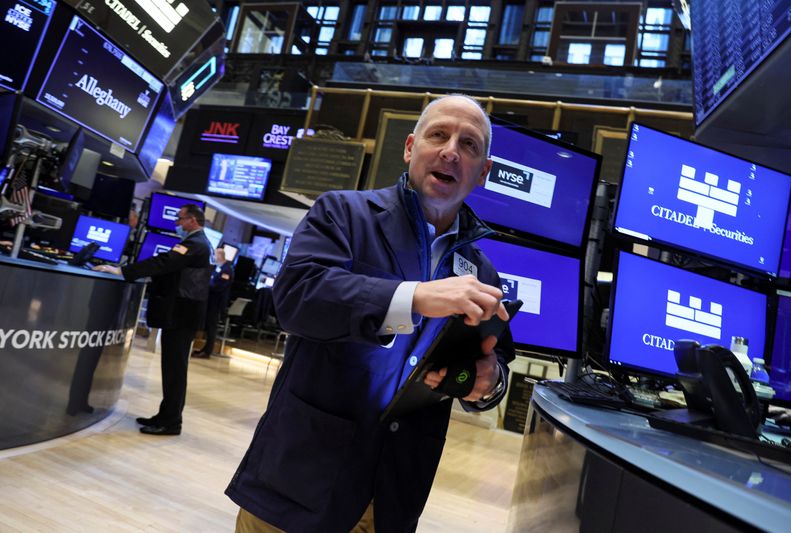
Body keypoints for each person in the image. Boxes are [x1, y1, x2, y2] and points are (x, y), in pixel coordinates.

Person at [226, 94, 515, 532]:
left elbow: (492, 365)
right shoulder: (343, 213)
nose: (451, 151)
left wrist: (486, 382)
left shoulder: (481, 271)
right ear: (409, 148)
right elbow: (297, 298)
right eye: (438, 135)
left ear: (483, 173)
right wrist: (414, 297)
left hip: (393, 495)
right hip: (304, 475)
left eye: (469, 145)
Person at [94, 204, 212, 435]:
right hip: (181, 316)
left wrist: (123, 271)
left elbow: (164, 263)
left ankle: (171, 422)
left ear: (193, 221)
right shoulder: (197, 243)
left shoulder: (195, 243)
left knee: (175, 370)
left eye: (180, 219)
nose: (177, 224)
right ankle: (165, 415)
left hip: (181, 317)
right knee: (172, 369)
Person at [193, 248, 234, 358]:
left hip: (216, 304)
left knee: (211, 327)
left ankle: (207, 352)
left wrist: (206, 286)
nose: (214, 257)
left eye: (215, 255)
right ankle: (204, 349)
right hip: (210, 301)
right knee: (208, 326)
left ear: (220, 255)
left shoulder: (226, 270)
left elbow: (219, 286)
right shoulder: (218, 268)